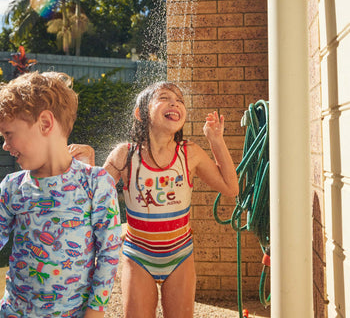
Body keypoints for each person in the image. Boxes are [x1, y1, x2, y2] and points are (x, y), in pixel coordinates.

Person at [71, 81, 239, 318]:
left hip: (179, 254)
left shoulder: (189, 153)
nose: (175, 102)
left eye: (180, 100)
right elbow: (90, 199)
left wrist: (216, 140)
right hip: (138, 255)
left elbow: (231, 188)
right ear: (141, 112)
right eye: (164, 97)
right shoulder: (126, 154)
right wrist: (88, 162)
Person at [0, 71, 122, 318]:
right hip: (15, 311)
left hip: (73, 313)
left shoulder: (95, 183)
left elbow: (108, 252)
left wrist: (95, 311)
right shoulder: (12, 186)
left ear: (45, 123)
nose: (5, 145)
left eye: (8, 134)